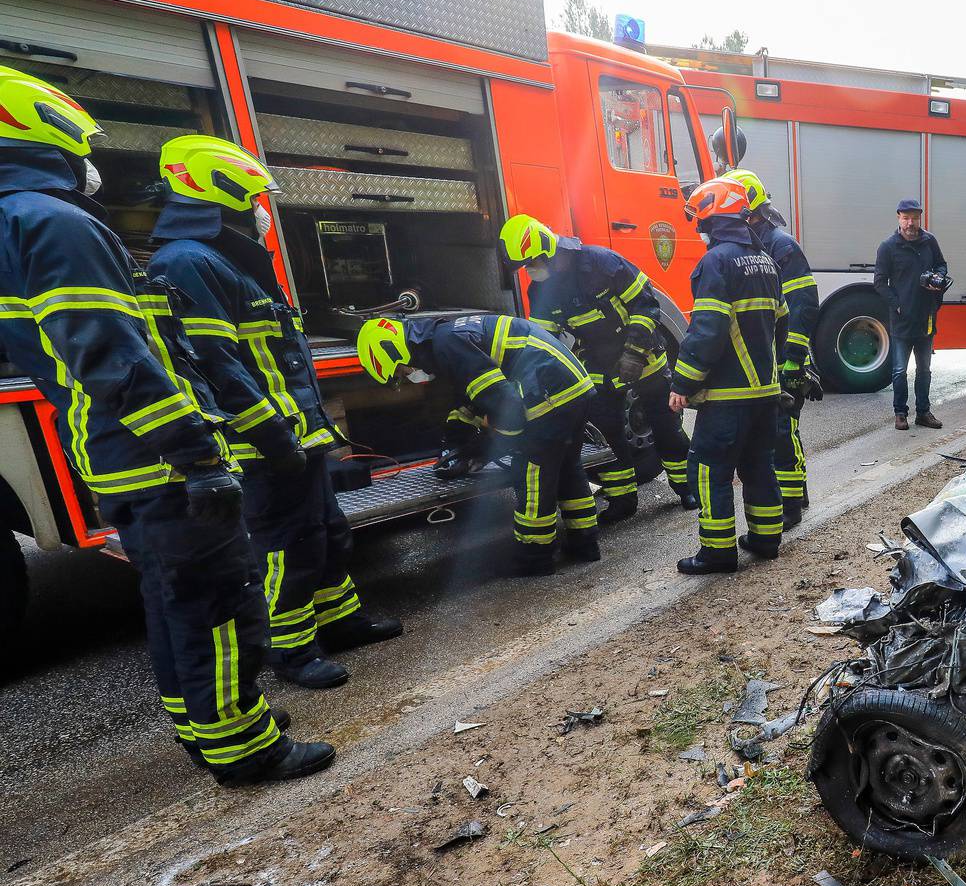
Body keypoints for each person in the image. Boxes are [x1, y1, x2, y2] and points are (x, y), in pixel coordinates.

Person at [0, 66, 331, 783]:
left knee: (176, 602)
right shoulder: (53, 221)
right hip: (158, 458)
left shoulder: (18, 220)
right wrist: (196, 452)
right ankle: (246, 748)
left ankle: (208, 733)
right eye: (83, 141)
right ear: (40, 128)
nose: (90, 161)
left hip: (123, 454)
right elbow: (113, 352)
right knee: (216, 601)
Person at [149, 135, 401, 690]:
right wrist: (271, 435)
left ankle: (340, 620)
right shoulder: (190, 262)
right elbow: (216, 363)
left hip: (294, 433)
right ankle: (290, 649)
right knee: (286, 546)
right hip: (263, 441)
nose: (264, 212)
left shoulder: (223, 259)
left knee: (325, 530)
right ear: (226, 194)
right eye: (255, 199)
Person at [357, 313, 598, 577]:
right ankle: (585, 543)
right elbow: (472, 397)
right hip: (573, 390)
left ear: (396, 351)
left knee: (531, 474)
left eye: (402, 372)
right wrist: (457, 441)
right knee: (567, 467)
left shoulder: (448, 345)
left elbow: (506, 406)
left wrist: (489, 445)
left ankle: (535, 558)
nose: (409, 377)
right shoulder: (447, 337)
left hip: (548, 398)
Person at [498, 214, 697, 518]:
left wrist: (633, 353)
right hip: (598, 368)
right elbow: (542, 341)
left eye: (532, 262)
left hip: (645, 361)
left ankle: (688, 489)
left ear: (548, 250)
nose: (531, 271)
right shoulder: (540, 291)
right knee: (609, 436)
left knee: (666, 428)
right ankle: (622, 502)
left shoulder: (603, 263)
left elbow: (646, 306)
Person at [668, 176, 785, 575]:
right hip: (765, 392)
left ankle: (717, 553)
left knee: (708, 469)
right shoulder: (766, 260)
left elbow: (708, 330)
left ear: (713, 219)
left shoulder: (715, 262)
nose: (700, 231)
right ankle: (767, 539)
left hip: (727, 397)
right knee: (758, 464)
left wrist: (682, 383)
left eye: (701, 224)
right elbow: (780, 325)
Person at [724, 168, 819, 527]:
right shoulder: (755, 245)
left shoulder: (780, 245)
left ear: (749, 211)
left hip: (786, 357)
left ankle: (791, 506)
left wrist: (794, 358)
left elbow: (805, 302)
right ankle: (798, 494)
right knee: (778, 431)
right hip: (768, 358)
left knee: (783, 430)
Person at [873, 199, 949, 431]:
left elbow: (942, 265)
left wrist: (938, 277)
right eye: (906, 218)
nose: (910, 223)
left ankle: (923, 413)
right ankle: (900, 413)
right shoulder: (888, 247)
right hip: (902, 321)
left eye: (914, 218)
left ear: (920, 218)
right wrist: (896, 305)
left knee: (924, 369)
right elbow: (879, 282)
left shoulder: (929, 241)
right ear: (898, 218)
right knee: (899, 370)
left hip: (926, 317)